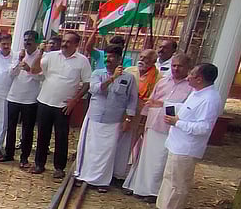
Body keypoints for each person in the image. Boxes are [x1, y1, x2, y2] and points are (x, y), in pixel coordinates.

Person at [140, 63, 223, 209]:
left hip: (187, 147)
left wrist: (178, 122)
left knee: (178, 183)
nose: (188, 77)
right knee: (168, 179)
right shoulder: (197, 93)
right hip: (176, 143)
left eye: (191, 74)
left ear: (199, 79)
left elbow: (204, 128)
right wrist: (162, 104)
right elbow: (185, 109)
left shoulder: (210, 100)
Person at [124, 53, 193, 202]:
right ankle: (139, 187)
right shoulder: (163, 81)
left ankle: (153, 192)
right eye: (174, 65)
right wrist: (142, 121)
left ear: (188, 68)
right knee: (145, 158)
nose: (176, 69)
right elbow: (151, 101)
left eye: (180, 66)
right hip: (152, 123)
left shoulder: (190, 87)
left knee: (160, 161)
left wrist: (165, 106)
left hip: (170, 128)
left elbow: (188, 109)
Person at [74, 46, 138, 192]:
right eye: (106, 57)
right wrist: (112, 79)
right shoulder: (98, 73)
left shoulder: (129, 78)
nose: (107, 60)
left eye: (111, 57)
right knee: (89, 148)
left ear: (119, 60)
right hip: (95, 118)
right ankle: (82, 175)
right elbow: (95, 89)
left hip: (113, 120)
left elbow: (132, 100)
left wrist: (128, 120)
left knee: (107, 151)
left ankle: (101, 181)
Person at [31, 32, 92, 180]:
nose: (65, 44)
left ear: (76, 45)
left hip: (64, 106)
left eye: (69, 42)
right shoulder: (51, 56)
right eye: (64, 41)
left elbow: (87, 83)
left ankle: (59, 167)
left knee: (61, 137)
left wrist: (74, 101)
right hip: (45, 101)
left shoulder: (82, 61)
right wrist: (39, 52)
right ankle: (39, 164)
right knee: (42, 135)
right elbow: (33, 70)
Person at [114, 49, 162, 181]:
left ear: (153, 61)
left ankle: (120, 173)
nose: (141, 60)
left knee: (128, 143)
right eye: (141, 57)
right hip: (122, 111)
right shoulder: (129, 70)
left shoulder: (158, 78)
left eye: (146, 58)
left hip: (140, 114)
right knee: (114, 140)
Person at [1, 31, 43, 166]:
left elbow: (41, 77)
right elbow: (11, 74)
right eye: (25, 40)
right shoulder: (19, 55)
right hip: (13, 97)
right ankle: (9, 154)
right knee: (11, 127)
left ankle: (24, 158)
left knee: (27, 130)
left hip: (30, 99)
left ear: (36, 42)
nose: (27, 43)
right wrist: (19, 61)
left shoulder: (41, 57)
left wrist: (30, 69)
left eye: (30, 40)